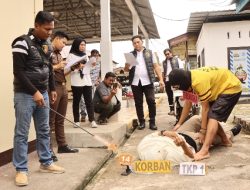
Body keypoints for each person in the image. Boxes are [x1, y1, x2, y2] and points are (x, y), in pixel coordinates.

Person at [12, 11, 65, 186]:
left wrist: (51, 89)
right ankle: (21, 170)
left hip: (43, 92)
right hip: (25, 94)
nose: (50, 33)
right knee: (22, 133)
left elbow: (49, 67)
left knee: (43, 130)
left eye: (52, 29)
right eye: (47, 29)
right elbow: (18, 72)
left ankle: (46, 162)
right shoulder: (22, 42)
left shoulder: (47, 44)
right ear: (36, 26)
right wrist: (34, 92)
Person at [169, 67, 242, 160]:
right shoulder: (188, 79)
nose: (185, 91)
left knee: (212, 116)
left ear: (185, 84)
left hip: (231, 87)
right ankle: (225, 140)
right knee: (209, 115)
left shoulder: (199, 82)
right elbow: (188, 103)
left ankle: (205, 151)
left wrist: (203, 132)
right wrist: (179, 123)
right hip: (219, 88)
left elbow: (205, 108)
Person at [137, 115, 242, 165]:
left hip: (181, 131)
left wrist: (165, 132)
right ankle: (230, 133)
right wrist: (183, 145)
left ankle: (222, 132)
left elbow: (153, 134)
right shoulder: (172, 158)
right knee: (212, 136)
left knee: (197, 118)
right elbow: (192, 157)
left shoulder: (143, 147)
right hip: (192, 141)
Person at [49, 31, 79, 162]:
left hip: (62, 86)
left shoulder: (59, 54)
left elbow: (60, 71)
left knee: (60, 119)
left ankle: (62, 145)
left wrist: (71, 68)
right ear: (56, 39)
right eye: (63, 43)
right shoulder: (47, 51)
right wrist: (57, 66)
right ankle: (48, 150)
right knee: (50, 121)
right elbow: (43, 68)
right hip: (53, 87)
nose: (63, 46)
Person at [124, 35, 164, 130]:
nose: (136, 44)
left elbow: (156, 67)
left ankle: (152, 122)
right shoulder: (130, 55)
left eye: (138, 42)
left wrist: (161, 79)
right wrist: (127, 65)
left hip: (148, 81)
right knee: (138, 103)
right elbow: (126, 70)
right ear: (133, 44)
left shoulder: (149, 53)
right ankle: (141, 122)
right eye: (134, 43)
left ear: (142, 42)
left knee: (151, 101)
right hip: (135, 82)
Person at [65, 37, 98, 128]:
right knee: (76, 101)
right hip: (76, 82)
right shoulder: (71, 55)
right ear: (76, 45)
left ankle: (92, 120)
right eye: (81, 45)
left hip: (87, 81)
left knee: (89, 101)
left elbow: (88, 68)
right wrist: (76, 67)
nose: (83, 47)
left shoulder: (85, 55)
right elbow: (66, 69)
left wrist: (92, 65)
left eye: (84, 45)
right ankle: (76, 121)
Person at [80, 49, 101, 122]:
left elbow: (99, 74)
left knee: (90, 101)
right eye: (94, 55)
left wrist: (98, 80)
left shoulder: (99, 64)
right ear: (90, 56)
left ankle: (91, 117)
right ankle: (83, 115)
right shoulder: (86, 63)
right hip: (84, 83)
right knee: (82, 100)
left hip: (92, 85)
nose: (95, 57)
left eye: (97, 55)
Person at [162, 48, 183, 115]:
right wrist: (163, 81)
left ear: (171, 53)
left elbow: (181, 69)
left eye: (168, 54)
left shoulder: (177, 60)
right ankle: (172, 110)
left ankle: (179, 108)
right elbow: (163, 72)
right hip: (167, 80)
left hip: (175, 79)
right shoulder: (164, 62)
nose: (167, 55)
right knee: (169, 95)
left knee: (178, 94)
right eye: (165, 54)